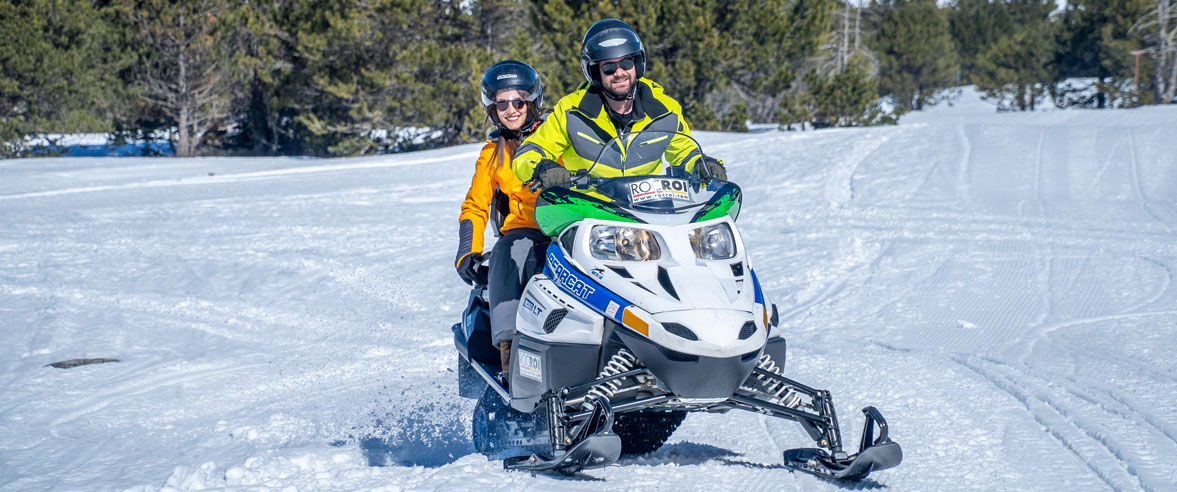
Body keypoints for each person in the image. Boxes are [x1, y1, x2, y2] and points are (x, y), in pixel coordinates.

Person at [511, 18, 727, 189]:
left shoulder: (664, 110)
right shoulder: (571, 112)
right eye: (608, 67)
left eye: (626, 62)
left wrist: (701, 164)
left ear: (637, 64)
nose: (619, 72)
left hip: (648, 207)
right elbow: (530, 151)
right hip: (588, 209)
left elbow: (684, 151)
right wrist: (541, 168)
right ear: (595, 72)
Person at [455, 60, 550, 375]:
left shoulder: (556, 136)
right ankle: (510, 354)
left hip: (571, 224)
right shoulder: (493, 152)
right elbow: (476, 204)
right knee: (510, 253)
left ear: (532, 102)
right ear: (492, 108)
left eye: (518, 102)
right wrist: (467, 249)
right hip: (526, 231)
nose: (511, 110)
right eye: (502, 103)